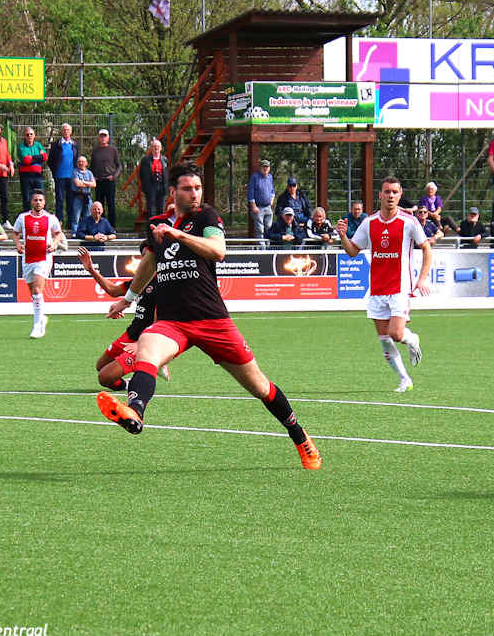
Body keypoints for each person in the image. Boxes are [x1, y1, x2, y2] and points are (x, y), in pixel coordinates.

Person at [99, 162, 322, 470]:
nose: (194, 194)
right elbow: (149, 264)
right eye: (187, 189)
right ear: (173, 192)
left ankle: (299, 435)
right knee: (147, 345)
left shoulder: (206, 217)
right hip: (173, 322)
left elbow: (218, 250)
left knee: (259, 386)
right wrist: (127, 299)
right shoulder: (157, 224)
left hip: (212, 320)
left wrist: (178, 235)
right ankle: (135, 411)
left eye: (198, 188)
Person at [337, 177, 430, 393]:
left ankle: (412, 339)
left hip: (400, 288)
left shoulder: (409, 222)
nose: (390, 196)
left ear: (400, 195)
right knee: (385, 340)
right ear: (380, 195)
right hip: (377, 289)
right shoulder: (369, 223)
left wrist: (422, 278)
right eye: (387, 192)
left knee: (396, 334)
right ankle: (405, 380)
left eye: (394, 192)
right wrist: (342, 236)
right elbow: (352, 251)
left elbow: (426, 248)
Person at [77, 245, 170, 391]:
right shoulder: (140, 280)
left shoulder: (164, 283)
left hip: (146, 339)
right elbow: (113, 291)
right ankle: (130, 384)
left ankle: (153, 361)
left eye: (147, 256)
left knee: (105, 377)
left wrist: (141, 343)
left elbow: (161, 319)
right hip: (131, 333)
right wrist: (91, 270)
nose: (144, 259)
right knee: (101, 366)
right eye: (143, 256)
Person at [11, 190, 64, 339]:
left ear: (44, 202)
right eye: (35, 200)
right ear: (31, 202)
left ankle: (37, 326)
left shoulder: (50, 218)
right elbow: (15, 233)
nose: (38, 202)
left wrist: (54, 244)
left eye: (40, 200)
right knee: (34, 294)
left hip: (44, 257)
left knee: (37, 289)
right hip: (28, 258)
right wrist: (18, 244)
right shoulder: (23, 218)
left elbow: (58, 233)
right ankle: (41, 318)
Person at [48, 123, 78, 231]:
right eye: (64, 130)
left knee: (71, 201)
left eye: (68, 130)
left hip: (71, 178)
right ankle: (59, 223)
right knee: (59, 201)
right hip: (59, 177)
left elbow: (77, 159)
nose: (66, 131)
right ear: (62, 131)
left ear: (71, 132)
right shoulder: (56, 144)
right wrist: (55, 172)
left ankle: (70, 224)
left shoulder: (75, 145)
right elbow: (50, 161)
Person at [90, 128, 122, 226]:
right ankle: (100, 225)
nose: (103, 138)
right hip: (98, 182)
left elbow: (119, 166)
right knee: (99, 205)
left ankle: (112, 226)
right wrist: (93, 177)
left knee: (110, 204)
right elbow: (92, 167)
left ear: (108, 138)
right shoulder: (95, 151)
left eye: (105, 136)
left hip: (109, 181)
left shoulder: (113, 150)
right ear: (98, 138)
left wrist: (114, 176)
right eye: (101, 136)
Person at [16, 127, 48, 211]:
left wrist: (32, 158)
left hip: (37, 176)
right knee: (27, 198)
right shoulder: (21, 146)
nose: (29, 136)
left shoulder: (38, 145)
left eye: (31, 134)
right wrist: (39, 157)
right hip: (25, 176)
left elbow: (45, 157)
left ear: (34, 135)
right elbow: (26, 160)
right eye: (27, 134)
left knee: (41, 196)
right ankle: (27, 215)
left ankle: (44, 216)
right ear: (24, 136)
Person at [139, 138, 169, 219]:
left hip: (161, 186)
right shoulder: (145, 160)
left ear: (161, 148)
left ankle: (160, 225)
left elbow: (167, 173)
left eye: (158, 146)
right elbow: (141, 174)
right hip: (151, 186)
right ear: (151, 148)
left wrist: (167, 186)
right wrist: (145, 186)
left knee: (161, 208)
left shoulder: (165, 160)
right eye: (154, 146)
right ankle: (151, 225)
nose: (156, 148)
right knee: (151, 208)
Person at [247, 158, 275, 238]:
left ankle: (268, 245)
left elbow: (272, 191)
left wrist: (272, 200)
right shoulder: (254, 177)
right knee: (260, 230)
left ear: (269, 168)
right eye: (263, 167)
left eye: (267, 167)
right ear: (260, 167)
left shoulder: (270, 177)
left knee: (269, 228)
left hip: (268, 207)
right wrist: (253, 206)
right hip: (258, 208)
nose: (265, 168)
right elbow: (250, 192)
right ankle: (261, 246)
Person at [71, 155, 96, 234]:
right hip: (78, 197)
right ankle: (74, 233)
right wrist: (88, 183)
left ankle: (85, 232)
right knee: (76, 217)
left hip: (87, 198)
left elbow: (94, 184)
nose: (81, 163)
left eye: (82, 162)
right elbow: (77, 184)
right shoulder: (75, 172)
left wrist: (83, 182)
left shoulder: (89, 173)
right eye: (79, 162)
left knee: (88, 217)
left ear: (86, 163)